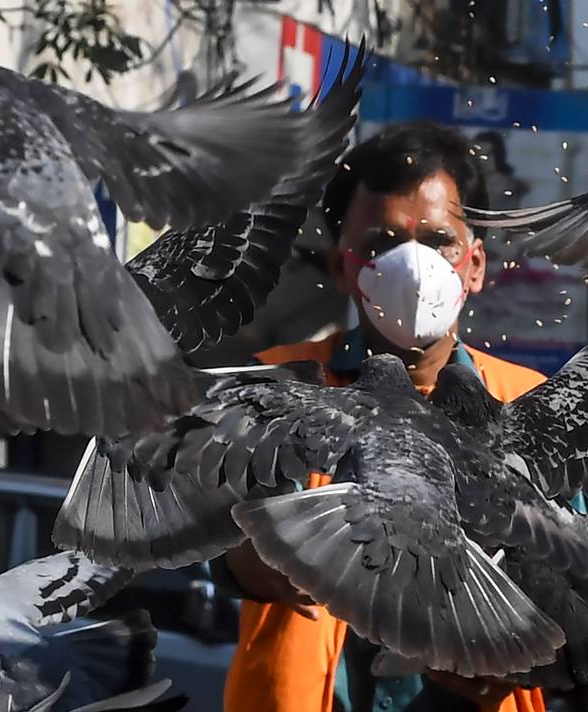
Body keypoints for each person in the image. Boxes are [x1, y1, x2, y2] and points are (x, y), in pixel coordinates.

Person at [211, 122, 550, 712]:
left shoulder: (528, 406)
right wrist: (246, 563)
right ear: (342, 266)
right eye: (380, 244)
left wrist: (528, 654)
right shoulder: (274, 386)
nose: (411, 265)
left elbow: (583, 582)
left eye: (439, 241)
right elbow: (210, 535)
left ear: (473, 265)